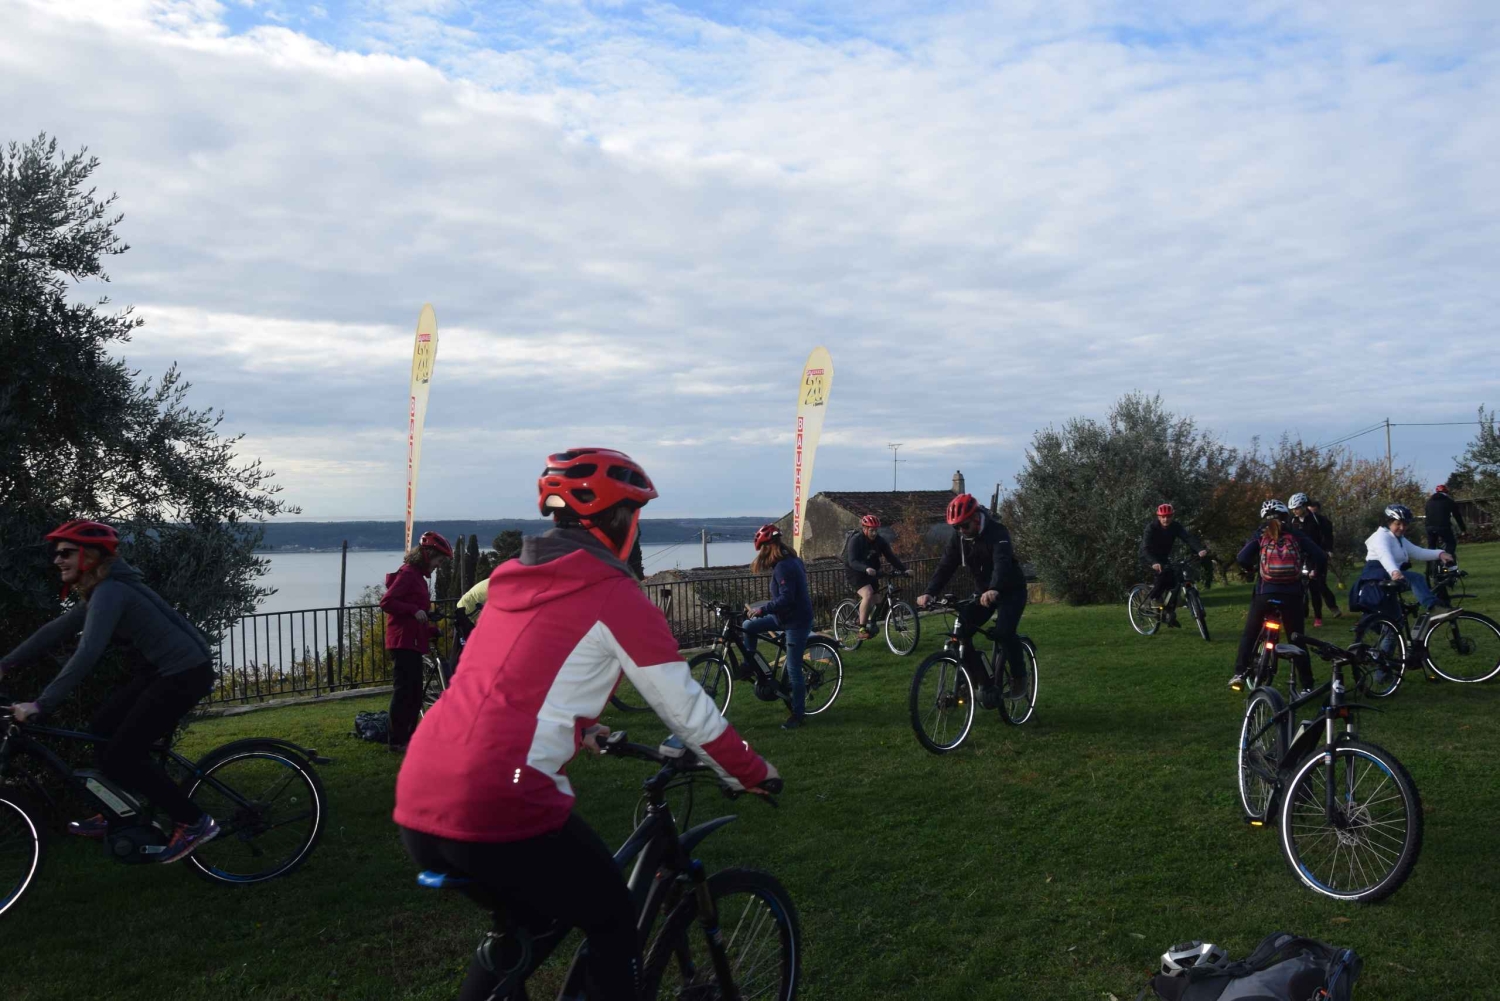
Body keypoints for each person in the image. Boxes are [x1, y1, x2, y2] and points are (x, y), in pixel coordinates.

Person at [394, 448, 775, 1001]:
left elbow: (503, 683)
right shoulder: (614, 596)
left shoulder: (510, 579)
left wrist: (579, 727)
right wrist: (751, 771)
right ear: (620, 520)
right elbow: (686, 708)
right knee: (614, 916)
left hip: (421, 784)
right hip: (501, 791)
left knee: (523, 931)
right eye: (636, 516)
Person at [0, 521, 220, 863]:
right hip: (160, 671)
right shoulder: (103, 589)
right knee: (102, 728)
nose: (57, 560)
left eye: (66, 553)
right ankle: (120, 809)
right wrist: (5, 664)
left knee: (124, 753)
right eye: (56, 553)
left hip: (184, 674)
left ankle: (194, 822)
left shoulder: (111, 591)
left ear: (90, 555)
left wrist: (41, 704)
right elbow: (54, 631)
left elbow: (87, 652)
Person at [916, 494, 1028, 707]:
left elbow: (1002, 562)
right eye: (956, 527)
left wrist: (995, 588)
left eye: (964, 525)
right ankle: (979, 682)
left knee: (1004, 632)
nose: (961, 531)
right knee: (962, 630)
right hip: (984, 592)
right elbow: (946, 565)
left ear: (976, 518)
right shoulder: (959, 538)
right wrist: (930, 592)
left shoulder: (997, 532)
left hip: (1010, 590)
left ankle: (1019, 677)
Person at [1230, 500, 1326, 693]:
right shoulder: (1296, 534)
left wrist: (1251, 568)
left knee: (1250, 633)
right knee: (1296, 639)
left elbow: (1241, 558)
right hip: (1291, 594)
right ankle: (1307, 685)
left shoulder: (1260, 535)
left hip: (1265, 592)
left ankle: (1239, 674)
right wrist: (1316, 573)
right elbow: (1320, 556)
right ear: (1285, 516)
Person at [380, 530, 452, 752]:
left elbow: (415, 614)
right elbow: (387, 602)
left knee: (414, 694)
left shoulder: (418, 577)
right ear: (428, 555)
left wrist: (430, 628)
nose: (439, 566)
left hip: (411, 640)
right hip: (402, 642)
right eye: (439, 560)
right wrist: (413, 610)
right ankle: (397, 741)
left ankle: (408, 738)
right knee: (404, 692)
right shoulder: (409, 574)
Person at [742, 523, 814, 730]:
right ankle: (750, 663)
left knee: (793, 669)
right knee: (748, 626)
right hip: (783, 617)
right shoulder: (789, 560)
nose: (761, 555)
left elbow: (786, 599)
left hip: (796, 621)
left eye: (762, 549)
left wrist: (762, 610)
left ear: (768, 547)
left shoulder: (784, 566)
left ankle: (798, 715)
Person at [1353, 504, 1455, 624]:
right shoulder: (1380, 537)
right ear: (1388, 522)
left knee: (1396, 622)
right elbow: (1384, 555)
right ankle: (1433, 608)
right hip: (1377, 575)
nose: (1402, 528)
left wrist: (1440, 554)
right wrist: (1394, 571)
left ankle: (1391, 633)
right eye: (1398, 524)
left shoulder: (1398, 538)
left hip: (1388, 574)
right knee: (1416, 579)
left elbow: (1418, 552)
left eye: (1405, 524)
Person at [1139, 503, 1208, 628]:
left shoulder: (1175, 526)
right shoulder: (1151, 528)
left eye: (1168, 516)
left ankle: (1168, 612)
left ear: (1172, 516)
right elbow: (1145, 548)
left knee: (1175, 581)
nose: (1166, 519)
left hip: (1163, 558)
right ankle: (1152, 599)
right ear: (1158, 517)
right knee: (1162, 576)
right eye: (1163, 517)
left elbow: (1188, 537)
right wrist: (1154, 562)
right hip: (1148, 557)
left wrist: (1199, 549)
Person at [843, 513, 909, 639]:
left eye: (876, 530)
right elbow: (853, 561)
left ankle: (867, 621)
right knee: (868, 594)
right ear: (864, 529)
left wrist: (904, 570)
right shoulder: (856, 540)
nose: (874, 533)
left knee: (877, 602)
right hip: (855, 571)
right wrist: (865, 568)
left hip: (872, 571)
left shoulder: (880, 541)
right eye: (871, 530)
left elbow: (891, 557)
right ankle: (862, 629)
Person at [1289, 493, 1341, 626]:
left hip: (1317, 556)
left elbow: (1327, 535)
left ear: (1304, 506)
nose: (1295, 511)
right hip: (1300, 557)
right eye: (1293, 509)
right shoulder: (1292, 521)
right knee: (1300, 586)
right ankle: (1303, 612)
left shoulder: (1317, 520)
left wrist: (1328, 550)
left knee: (1316, 586)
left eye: (1297, 508)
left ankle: (1319, 616)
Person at [1424, 484, 1467, 568]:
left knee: (1431, 546)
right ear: (1446, 492)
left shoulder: (1429, 502)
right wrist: (1463, 529)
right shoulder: (1449, 501)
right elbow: (1457, 516)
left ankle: (1429, 567)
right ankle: (1448, 561)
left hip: (1429, 527)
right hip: (1443, 527)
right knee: (1451, 543)